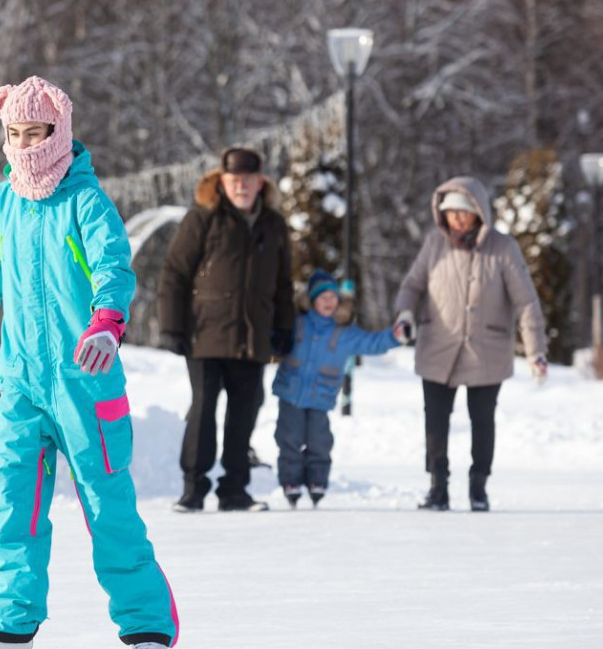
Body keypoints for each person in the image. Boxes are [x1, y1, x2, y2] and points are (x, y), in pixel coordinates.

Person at [0, 76, 178, 649]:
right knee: (13, 510)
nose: (23, 146)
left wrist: (106, 324)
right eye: (13, 134)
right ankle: (7, 627)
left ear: (58, 133)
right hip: (21, 387)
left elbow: (113, 268)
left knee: (107, 506)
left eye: (34, 133)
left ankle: (148, 624)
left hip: (86, 382)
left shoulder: (86, 201)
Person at [394, 177, 548, 512]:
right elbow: (412, 286)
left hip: (486, 351)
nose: (458, 220)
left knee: (482, 420)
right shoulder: (434, 244)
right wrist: (405, 315)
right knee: (435, 421)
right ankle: (438, 487)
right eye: (451, 214)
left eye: (464, 213)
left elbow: (525, 302)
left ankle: (479, 487)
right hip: (438, 347)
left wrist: (535, 351)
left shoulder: (503, 248)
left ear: (479, 212)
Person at [157, 147, 295, 513]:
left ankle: (235, 490)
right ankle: (193, 489)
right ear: (222, 181)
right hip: (204, 333)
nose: (241, 187)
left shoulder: (273, 224)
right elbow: (174, 273)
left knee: (244, 413)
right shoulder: (203, 217)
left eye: (248, 180)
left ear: (260, 183)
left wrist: (284, 326)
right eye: (234, 181)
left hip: (252, 336)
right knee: (203, 409)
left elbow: (283, 283)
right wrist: (172, 325)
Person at [271, 269, 403, 508]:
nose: (328, 301)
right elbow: (275, 334)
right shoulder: (297, 324)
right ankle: (291, 481)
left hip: (320, 397)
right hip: (291, 393)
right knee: (289, 438)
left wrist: (393, 336)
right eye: (323, 297)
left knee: (319, 441)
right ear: (312, 300)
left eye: (333, 297)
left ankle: (317, 480)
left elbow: (371, 342)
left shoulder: (344, 333)